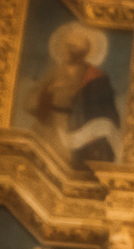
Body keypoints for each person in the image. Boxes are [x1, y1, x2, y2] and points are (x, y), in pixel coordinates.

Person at [26, 21, 122, 166]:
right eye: (68, 46)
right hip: (52, 126)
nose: (69, 51)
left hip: (80, 130)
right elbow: (32, 101)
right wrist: (48, 93)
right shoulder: (54, 71)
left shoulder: (95, 75)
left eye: (74, 47)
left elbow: (105, 109)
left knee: (73, 164)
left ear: (85, 51)